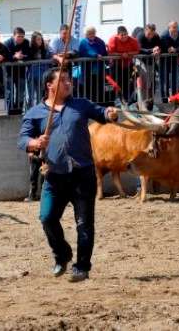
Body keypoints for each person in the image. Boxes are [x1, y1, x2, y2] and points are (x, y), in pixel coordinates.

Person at [17, 67, 120, 282]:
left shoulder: (80, 104)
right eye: (62, 80)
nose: (68, 83)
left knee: (84, 223)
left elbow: (101, 113)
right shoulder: (35, 112)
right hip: (55, 175)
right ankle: (61, 254)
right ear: (49, 86)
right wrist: (35, 143)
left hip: (83, 173)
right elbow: (22, 140)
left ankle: (82, 267)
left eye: (69, 79)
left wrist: (110, 113)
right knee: (47, 217)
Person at [106, 26, 140, 104]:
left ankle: (127, 101)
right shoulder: (113, 39)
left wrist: (127, 54)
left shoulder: (132, 40)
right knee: (116, 83)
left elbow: (137, 51)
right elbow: (110, 53)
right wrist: (121, 54)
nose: (125, 36)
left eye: (126, 34)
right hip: (115, 65)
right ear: (118, 35)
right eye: (122, 35)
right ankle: (116, 100)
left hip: (127, 65)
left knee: (127, 83)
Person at [4, 27, 31, 115]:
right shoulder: (7, 43)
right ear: (13, 36)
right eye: (19, 36)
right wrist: (14, 57)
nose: (21, 38)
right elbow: (5, 57)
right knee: (10, 93)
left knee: (20, 93)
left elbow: (30, 56)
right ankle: (10, 112)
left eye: (22, 36)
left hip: (21, 72)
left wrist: (22, 56)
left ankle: (18, 111)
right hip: (9, 73)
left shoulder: (26, 42)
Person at [77, 27, 108, 103]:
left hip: (99, 71)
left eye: (93, 33)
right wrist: (95, 55)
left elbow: (104, 52)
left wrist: (107, 59)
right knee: (87, 90)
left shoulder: (100, 41)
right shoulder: (83, 42)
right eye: (89, 33)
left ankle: (99, 105)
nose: (92, 35)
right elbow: (83, 52)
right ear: (86, 34)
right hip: (87, 71)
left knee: (98, 90)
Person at [160, 21, 179, 97]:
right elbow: (165, 48)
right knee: (165, 81)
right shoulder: (164, 36)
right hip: (164, 62)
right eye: (174, 27)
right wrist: (172, 49)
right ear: (169, 28)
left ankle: (175, 97)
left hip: (175, 61)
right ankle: (165, 99)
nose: (176, 29)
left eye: (177, 27)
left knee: (175, 80)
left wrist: (176, 50)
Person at [27, 32, 51, 108]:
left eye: (41, 39)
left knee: (40, 94)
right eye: (38, 39)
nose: (40, 41)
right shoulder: (29, 49)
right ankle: (30, 111)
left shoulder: (44, 48)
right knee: (30, 95)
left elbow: (49, 58)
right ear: (33, 40)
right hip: (32, 75)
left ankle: (39, 110)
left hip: (42, 74)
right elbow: (27, 60)